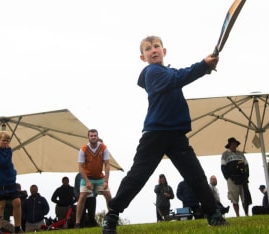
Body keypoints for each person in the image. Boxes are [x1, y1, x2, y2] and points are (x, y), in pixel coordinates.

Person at [102, 35, 226, 234]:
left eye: (156, 46)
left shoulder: (167, 72)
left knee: (195, 175)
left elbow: (180, 75)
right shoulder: (151, 72)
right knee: (137, 176)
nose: (153, 50)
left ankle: (213, 214)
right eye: (148, 48)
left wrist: (206, 68)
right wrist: (203, 65)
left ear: (164, 51)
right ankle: (112, 214)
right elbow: (179, 77)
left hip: (176, 135)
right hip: (155, 134)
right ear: (143, 57)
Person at [75, 129, 112, 228]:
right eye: (91, 136)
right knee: (82, 197)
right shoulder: (83, 149)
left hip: (99, 177)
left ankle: (112, 218)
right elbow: (80, 167)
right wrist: (87, 181)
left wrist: (106, 181)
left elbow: (107, 165)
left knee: (108, 195)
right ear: (88, 137)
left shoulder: (103, 148)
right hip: (87, 178)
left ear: (97, 136)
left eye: (95, 135)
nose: (93, 137)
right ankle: (77, 223)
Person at [0, 131, 23, 233]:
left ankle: (18, 227)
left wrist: (13, 173)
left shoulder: (7, 151)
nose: (6, 143)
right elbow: (3, 163)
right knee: (1, 204)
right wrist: (9, 151)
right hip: (0, 182)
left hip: (10, 181)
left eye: (8, 141)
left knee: (17, 202)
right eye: (3, 140)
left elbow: (8, 164)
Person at [221, 137, 251, 217]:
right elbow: (223, 167)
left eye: (235, 144)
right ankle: (237, 214)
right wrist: (228, 178)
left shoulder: (241, 154)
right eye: (232, 144)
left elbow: (246, 165)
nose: (234, 146)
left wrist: (247, 176)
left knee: (245, 196)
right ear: (229, 145)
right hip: (232, 178)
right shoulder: (225, 154)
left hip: (242, 177)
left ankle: (246, 214)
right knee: (234, 198)